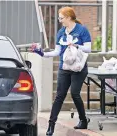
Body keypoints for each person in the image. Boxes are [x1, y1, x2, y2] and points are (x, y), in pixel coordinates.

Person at [31, 6, 91, 136]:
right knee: (59, 96)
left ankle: (83, 120)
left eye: (61, 18)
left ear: (69, 17)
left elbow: (88, 49)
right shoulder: (61, 32)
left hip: (78, 68)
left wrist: (76, 45)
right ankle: (51, 126)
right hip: (64, 67)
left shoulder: (82, 30)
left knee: (75, 93)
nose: (60, 20)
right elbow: (57, 51)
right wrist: (42, 54)